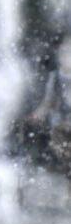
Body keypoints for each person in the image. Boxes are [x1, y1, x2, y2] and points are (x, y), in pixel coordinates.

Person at [29, 34, 71, 186]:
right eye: (64, 51)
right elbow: (49, 102)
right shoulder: (56, 77)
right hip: (61, 125)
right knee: (66, 158)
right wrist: (38, 114)